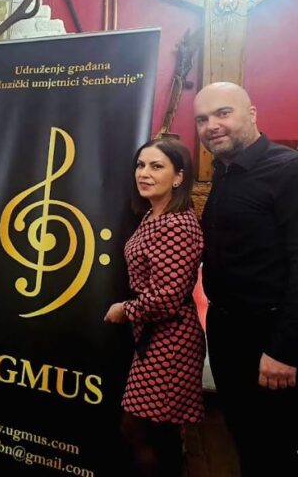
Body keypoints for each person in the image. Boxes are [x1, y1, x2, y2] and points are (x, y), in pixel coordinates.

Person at [193, 82, 297, 476]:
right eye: (202, 119)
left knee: (275, 447)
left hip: (269, 337)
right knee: (244, 435)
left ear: (251, 114)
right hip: (227, 332)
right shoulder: (224, 170)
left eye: (223, 113)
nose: (211, 126)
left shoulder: (288, 170)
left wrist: (285, 350)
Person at [104, 138, 205, 477]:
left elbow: (168, 296)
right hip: (154, 337)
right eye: (140, 165)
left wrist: (125, 310)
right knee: (157, 431)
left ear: (179, 177)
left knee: (139, 427)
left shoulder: (175, 224)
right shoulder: (153, 213)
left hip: (171, 340)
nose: (144, 173)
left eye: (156, 166)